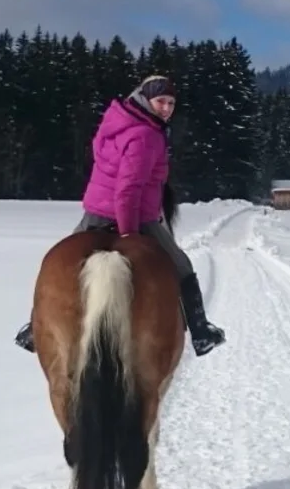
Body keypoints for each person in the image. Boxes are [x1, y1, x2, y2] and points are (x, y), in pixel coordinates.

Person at [14, 75, 227, 357]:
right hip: (136, 216)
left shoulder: (116, 122)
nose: (166, 108)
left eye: (171, 103)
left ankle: (34, 327)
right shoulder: (147, 135)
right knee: (182, 267)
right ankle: (201, 333)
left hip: (95, 213)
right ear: (145, 99)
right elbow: (128, 190)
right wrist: (128, 234)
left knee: (56, 265)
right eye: (160, 101)